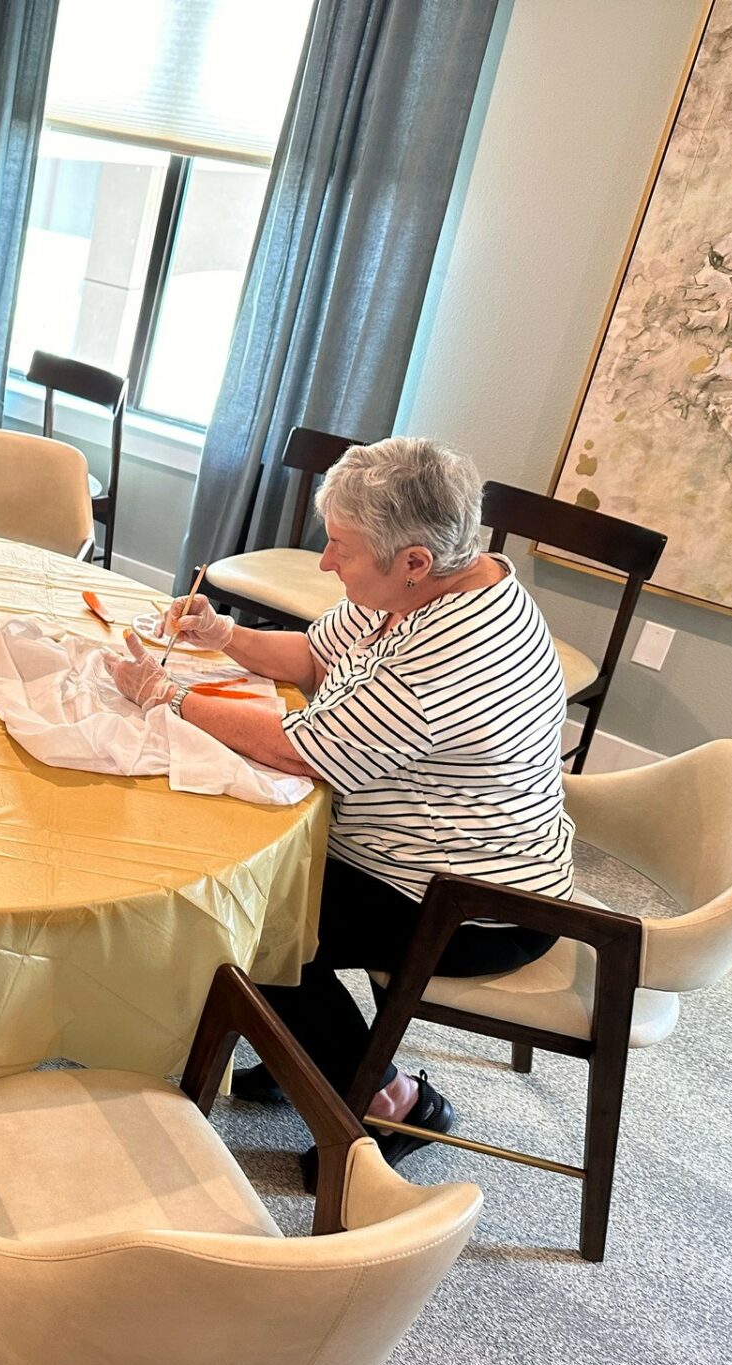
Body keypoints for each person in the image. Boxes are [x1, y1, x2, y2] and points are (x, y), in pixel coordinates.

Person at [104, 437, 573, 1180]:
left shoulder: (450, 656)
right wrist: (225, 636)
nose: (325, 562)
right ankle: (303, 1049)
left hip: (475, 905)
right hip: (422, 854)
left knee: (249, 916)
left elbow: (302, 751)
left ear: (413, 559)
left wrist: (171, 695)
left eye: (341, 549)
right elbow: (317, 658)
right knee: (253, 877)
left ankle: (394, 1102)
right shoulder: (425, 588)